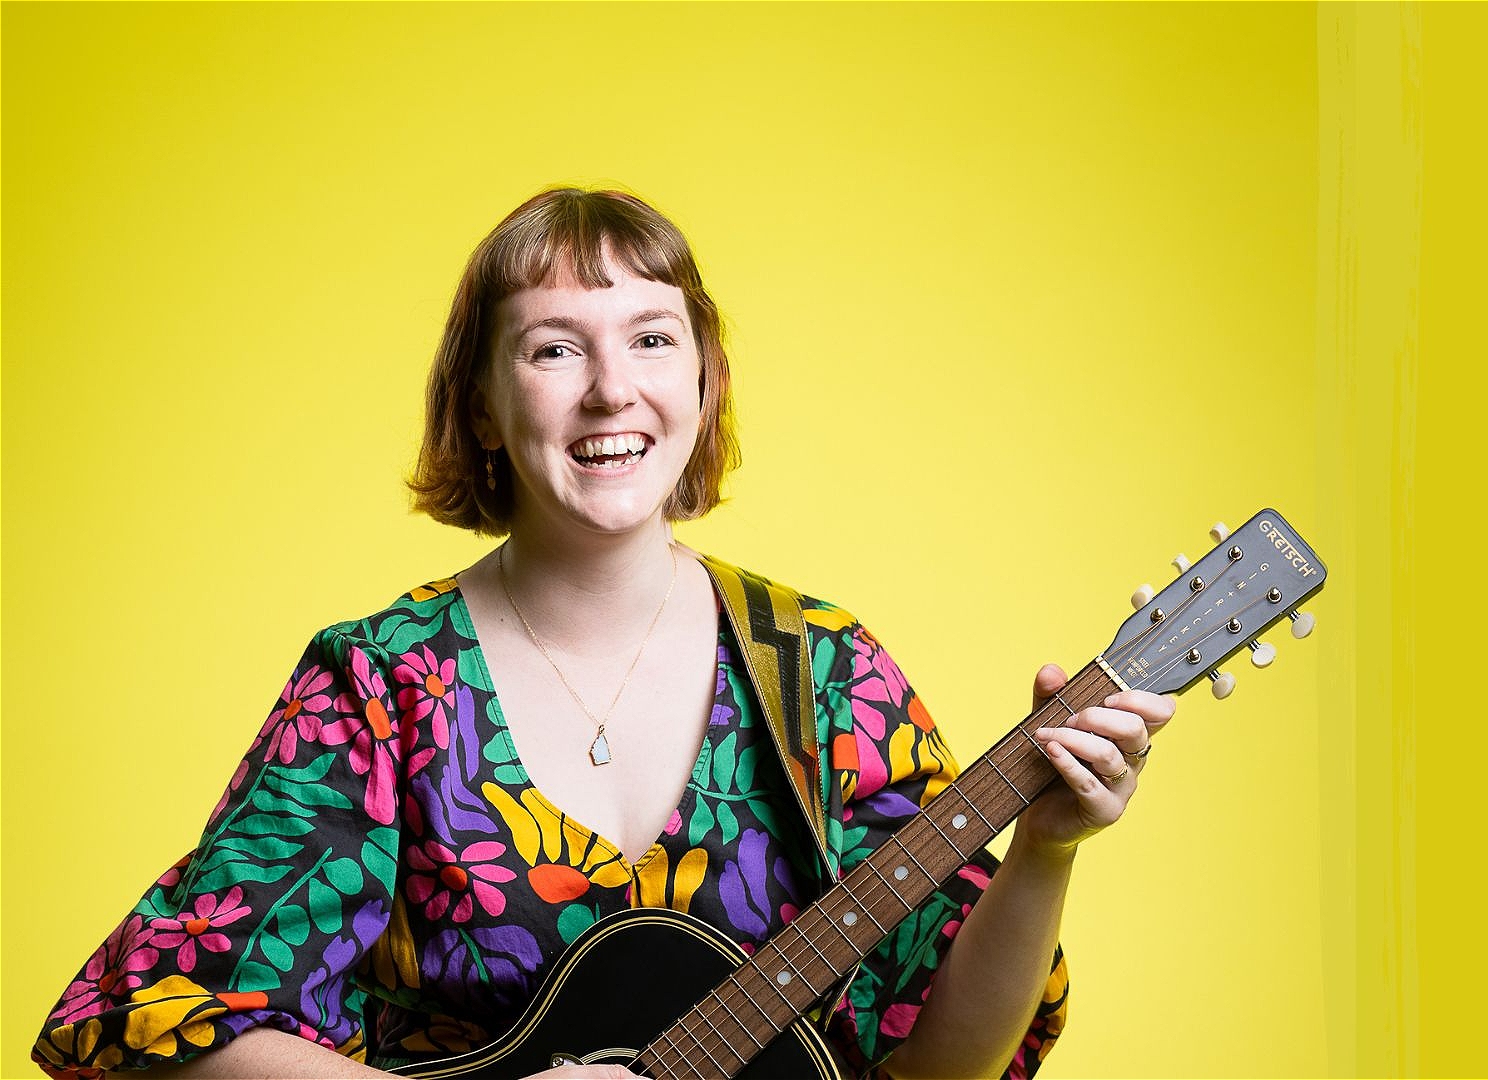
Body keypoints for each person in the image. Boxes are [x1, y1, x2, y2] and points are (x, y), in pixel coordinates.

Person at [31, 187, 1174, 1080]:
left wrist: (1047, 849)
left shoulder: (821, 669)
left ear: (705, 382)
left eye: (652, 339)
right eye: (554, 349)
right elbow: (166, 1024)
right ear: (483, 402)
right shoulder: (382, 687)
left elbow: (942, 1063)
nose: (611, 391)